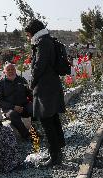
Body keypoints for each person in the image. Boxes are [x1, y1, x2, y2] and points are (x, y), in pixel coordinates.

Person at [25, 19, 66, 166]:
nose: (28, 37)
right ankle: (57, 150)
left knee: (46, 120)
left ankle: (55, 155)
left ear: (34, 32)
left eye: (28, 34)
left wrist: (31, 83)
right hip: (50, 85)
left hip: (45, 87)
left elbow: (39, 65)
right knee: (52, 118)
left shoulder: (42, 42)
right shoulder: (46, 40)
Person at [0, 63, 32, 140]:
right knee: (13, 114)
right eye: (8, 70)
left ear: (15, 70)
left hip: (24, 105)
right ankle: (26, 135)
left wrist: (36, 103)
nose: (11, 71)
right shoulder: (1, 84)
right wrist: (13, 107)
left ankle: (37, 130)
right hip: (10, 108)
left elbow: (29, 94)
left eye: (12, 69)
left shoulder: (22, 80)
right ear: (5, 72)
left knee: (35, 108)